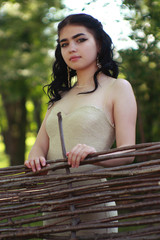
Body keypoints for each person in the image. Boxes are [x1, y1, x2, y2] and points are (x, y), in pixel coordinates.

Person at [25, 13, 137, 236]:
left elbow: (129, 152)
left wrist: (95, 154)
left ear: (99, 43)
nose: (71, 48)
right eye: (64, 44)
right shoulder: (59, 97)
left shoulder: (118, 88)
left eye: (80, 40)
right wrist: (35, 159)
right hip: (53, 207)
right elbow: (39, 147)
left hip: (92, 206)